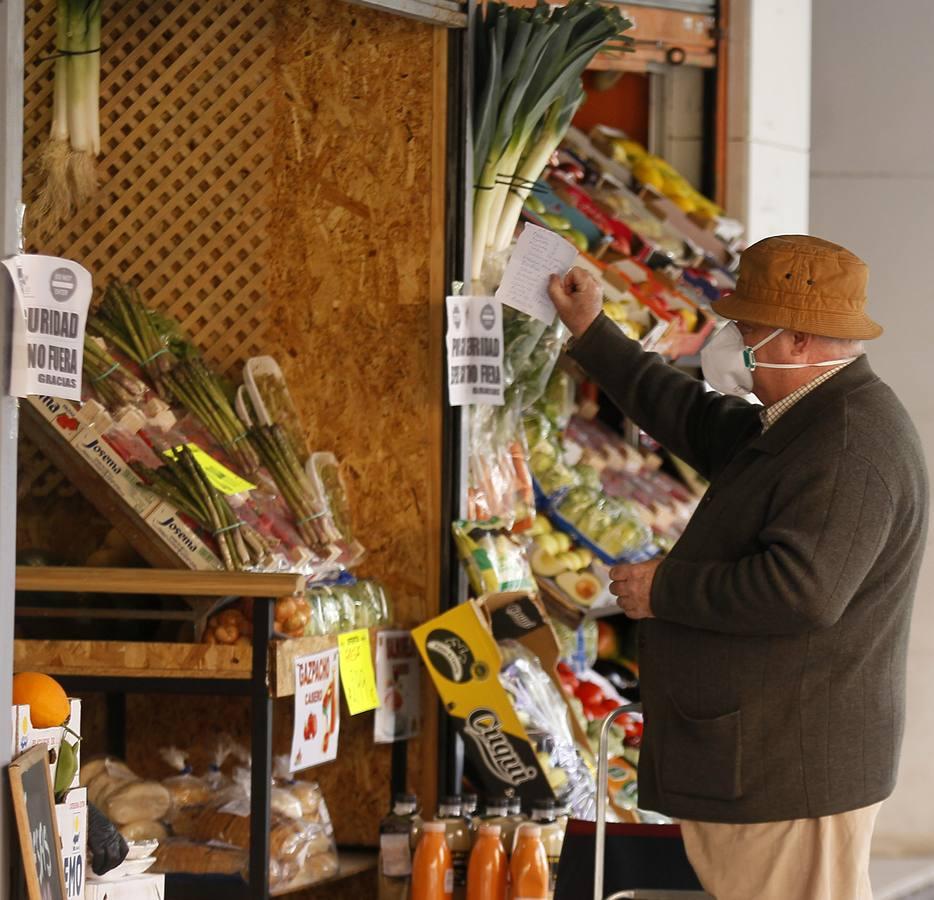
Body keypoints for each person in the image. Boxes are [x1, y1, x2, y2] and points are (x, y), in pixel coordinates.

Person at [547, 235, 929, 900]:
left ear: (800, 341)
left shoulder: (847, 444)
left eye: (747, 327)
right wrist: (593, 333)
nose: (731, 341)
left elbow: (801, 591)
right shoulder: (805, 419)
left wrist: (666, 590)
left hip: (791, 771)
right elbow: (696, 418)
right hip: (771, 763)